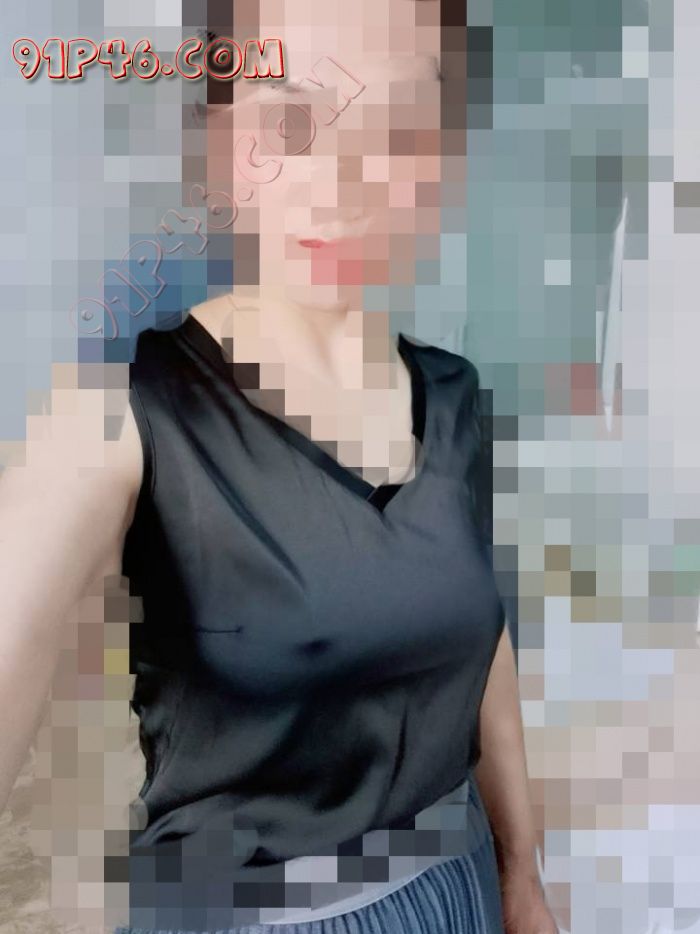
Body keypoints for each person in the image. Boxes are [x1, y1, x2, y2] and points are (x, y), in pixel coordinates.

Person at [0, 0, 559, 931]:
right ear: (220, 142)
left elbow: (480, 642)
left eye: (397, 125)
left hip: (454, 892)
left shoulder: (454, 397)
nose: (342, 182)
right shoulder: (119, 413)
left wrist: (520, 872)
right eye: (292, 117)